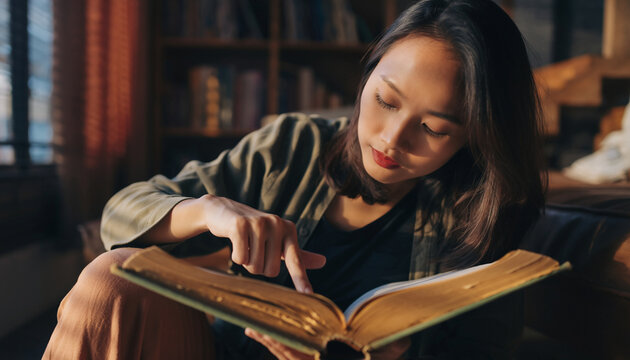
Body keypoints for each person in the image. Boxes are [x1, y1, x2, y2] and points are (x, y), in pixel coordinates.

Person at [43, 0, 546, 359]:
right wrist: (207, 209)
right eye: (385, 101)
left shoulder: (483, 214)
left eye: (434, 128)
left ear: (476, 135)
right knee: (115, 274)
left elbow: (486, 348)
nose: (392, 138)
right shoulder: (293, 146)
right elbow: (119, 214)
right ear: (367, 73)